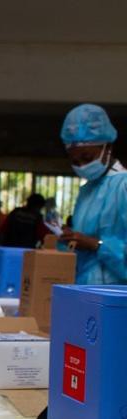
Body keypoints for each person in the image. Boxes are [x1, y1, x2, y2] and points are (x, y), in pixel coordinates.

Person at [58, 104, 127, 284]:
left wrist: (96, 245)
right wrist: (72, 238)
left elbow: (95, 243)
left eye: (87, 158)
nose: (81, 165)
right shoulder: (86, 191)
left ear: (108, 147)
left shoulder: (123, 186)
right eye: (74, 161)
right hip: (85, 290)